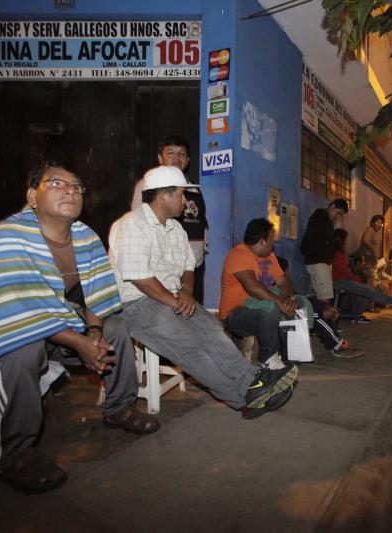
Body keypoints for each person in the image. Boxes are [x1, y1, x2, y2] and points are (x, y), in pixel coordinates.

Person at [0, 161, 158, 494]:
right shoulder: (7, 235)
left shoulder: (84, 236)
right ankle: (11, 453)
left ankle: (119, 408)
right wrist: (79, 344)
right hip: (3, 328)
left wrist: (93, 334)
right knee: (23, 350)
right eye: (56, 184)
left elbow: (98, 294)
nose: (70, 191)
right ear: (32, 197)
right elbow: (18, 309)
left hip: (56, 320)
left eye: (76, 187)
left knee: (117, 327)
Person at [109, 166, 298, 420]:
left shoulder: (175, 229)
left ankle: (253, 381)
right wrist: (175, 300)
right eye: (181, 195)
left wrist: (187, 291)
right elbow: (139, 277)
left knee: (213, 331)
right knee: (191, 348)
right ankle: (243, 399)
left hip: (173, 298)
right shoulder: (131, 225)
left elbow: (189, 265)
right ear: (162, 195)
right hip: (139, 304)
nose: (185, 201)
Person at [132, 136, 209, 304]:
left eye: (182, 154)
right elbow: (141, 223)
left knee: (194, 311)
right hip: (164, 270)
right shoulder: (148, 186)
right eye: (171, 153)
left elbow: (201, 221)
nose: (177, 158)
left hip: (192, 264)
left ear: (188, 160)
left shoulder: (194, 190)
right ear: (160, 158)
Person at [220, 219, 297, 369]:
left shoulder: (270, 256)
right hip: (235, 315)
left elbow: (283, 282)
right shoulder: (238, 254)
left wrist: (289, 299)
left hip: (258, 307)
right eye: (271, 241)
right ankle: (267, 358)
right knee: (271, 308)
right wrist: (281, 304)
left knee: (295, 304)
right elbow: (252, 287)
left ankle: (286, 355)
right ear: (262, 242)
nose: (272, 245)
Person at [276, 256, 364, 359]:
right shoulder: (277, 289)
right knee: (317, 316)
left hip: (292, 312)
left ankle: (335, 341)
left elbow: (304, 301)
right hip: (284, 316)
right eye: (287, 271)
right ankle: (337, 346)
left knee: (318, 311)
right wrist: (321, 311)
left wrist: (324, 306)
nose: (289, 274)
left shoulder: (286, 288)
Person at [332, 228, 392, 323]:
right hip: (340, 281)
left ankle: (356, 314)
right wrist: (357, 280)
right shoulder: (337, 254)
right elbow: (344, 273)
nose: (346, 242)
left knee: (368, 290)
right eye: (345, 239)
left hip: (343, 280)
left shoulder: (339, 254)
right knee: (368, 290)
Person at [300, 198, 349, 303]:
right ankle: (323, 318)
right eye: (338, 213)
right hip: (318, 261)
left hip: (321, 261)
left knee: (322, 295)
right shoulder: (321, 217)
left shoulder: (326, 220)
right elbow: (321, 241)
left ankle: (320, 317)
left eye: (340, 215)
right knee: (325, 297)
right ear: (332, 206)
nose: (338, 216)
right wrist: (336, 228)